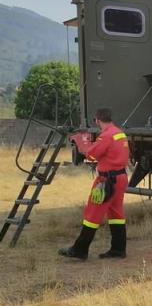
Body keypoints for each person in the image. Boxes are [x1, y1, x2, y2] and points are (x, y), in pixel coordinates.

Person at [59, 108, 130, 260]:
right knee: (116, 213)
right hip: (121, 177)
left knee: (92, 213)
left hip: (106, 181)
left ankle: (80, 250)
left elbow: (90, 155)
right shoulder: (119, 133)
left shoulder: (106, 136)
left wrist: (80, 141)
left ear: (97, 120)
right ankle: (118, 249)